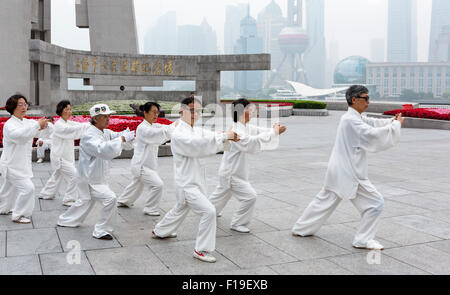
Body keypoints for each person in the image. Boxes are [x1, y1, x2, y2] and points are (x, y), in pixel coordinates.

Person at [292, 85, 404, 250]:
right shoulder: (351, 120)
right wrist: (395, 126)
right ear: (354, 100)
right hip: (349, 171)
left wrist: (391, 121)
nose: (368, 101)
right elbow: (371, 135)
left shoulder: (354, 117)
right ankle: (363, 240)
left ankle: (301, 229)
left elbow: (372, 123)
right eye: (365, 98)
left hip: (340, 169)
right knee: (375, 203)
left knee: (325, 200)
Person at [152, 97, 239, 263]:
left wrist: (227, 135)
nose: (195, 114)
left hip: (193, 181)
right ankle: (202, 250)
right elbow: (196, 145)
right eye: (191, 110)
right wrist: (223, 138)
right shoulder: (179, 133)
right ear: (181, 111)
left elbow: (209, 135)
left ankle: (160, 231)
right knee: (209, 211)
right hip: (186, 184)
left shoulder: (194, 129)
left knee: (180, 208)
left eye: (198, 111)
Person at [57, 104, 135, 240]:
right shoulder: (89, 135)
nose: (108, 119)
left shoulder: (105, 132)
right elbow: (102, 149)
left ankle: (65, 220)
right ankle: (101, 230)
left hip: (96, 178)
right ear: (96, 118)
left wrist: (126, 135)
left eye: (109, 116)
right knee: (110, 198)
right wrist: (121, 140)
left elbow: (116, 136)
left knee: (85, 201)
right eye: (105, 116)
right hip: (90, 179)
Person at [209, 98, 287, 233]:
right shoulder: (236, 130)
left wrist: (272, 130)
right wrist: (273, 132)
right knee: (250, 196)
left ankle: (208, 211)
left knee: (222, 193)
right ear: (242, 112)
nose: (252, 113)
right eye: (250, 110)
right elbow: (250, 143)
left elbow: (257, 131)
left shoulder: (242, 126)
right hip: (231, 174)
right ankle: (238, 223)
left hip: (230, 171)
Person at [117, 102, 178, 216]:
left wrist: (178, 124)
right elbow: (158, 133)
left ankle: (123, 200)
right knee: (158, 185)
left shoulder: (152, 125)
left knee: (137, 184)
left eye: (157, 112)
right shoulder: (143, 128)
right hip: (141, 165)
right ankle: (150, 208)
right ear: (145, 113)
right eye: (153, 112)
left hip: (147, 164)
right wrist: (172, 129)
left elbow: (164, 128)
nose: (156, 115)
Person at [0, 94, 52, 223]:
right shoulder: (10, 125)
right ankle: (18, 215)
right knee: (28, 189)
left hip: (21, 163)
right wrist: (36, 126)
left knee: (8, 189)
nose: (24, 107)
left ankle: (3, 208)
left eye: (25, 104)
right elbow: (20, 136)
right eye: (20, 104)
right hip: (12, 164)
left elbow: (36, 130)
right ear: (12, 107)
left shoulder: (26, 122)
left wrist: (44, 125)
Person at [38, 100, 91, 206]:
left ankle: (46, 193)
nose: (70, 111)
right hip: (60, 157)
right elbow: (72, 130)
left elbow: (77, 126)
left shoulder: (68, 123)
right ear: (61, 111)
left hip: (66, 157)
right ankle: (69, 199)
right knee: (75, 176)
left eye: (70, 109)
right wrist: (89, 124)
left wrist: (90, 125)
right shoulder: (59, 125)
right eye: (67, 109)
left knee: (56, 176)